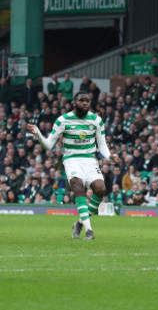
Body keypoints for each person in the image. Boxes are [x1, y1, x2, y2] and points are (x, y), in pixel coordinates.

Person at [27, 91, 121, 240]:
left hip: (90, 160)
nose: (85, 103)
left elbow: (102, 145)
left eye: (87, 101)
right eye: (81, 100)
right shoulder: (63, 120)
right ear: (74, 103)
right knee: (78, 185)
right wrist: (38, 133)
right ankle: (89, 231)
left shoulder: (96, 120)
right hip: (72, 159)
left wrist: (110, 156)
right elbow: (48, 145)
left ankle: (79, 223)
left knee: (100, 189)